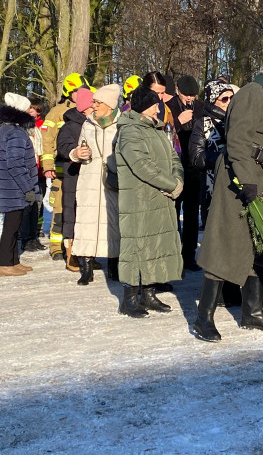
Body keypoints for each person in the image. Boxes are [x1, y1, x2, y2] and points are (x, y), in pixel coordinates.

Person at [193, 53, 263, 342]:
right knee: (223, 249)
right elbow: (238, 142)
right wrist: (247, 181)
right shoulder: (253, 95)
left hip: (254, 185)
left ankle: (252, 313)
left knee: (256, 248)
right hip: (239, 187)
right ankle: (203, 318)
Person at [114, 84, 185, 317]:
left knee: (155, 247)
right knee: (136, 247)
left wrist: (178, 179)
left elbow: (174, 156)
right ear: (145, 107)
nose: (159, 110)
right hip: (139, 201)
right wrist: (172, 185)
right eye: (156, 105)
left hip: (159, 198)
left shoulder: (155, 129)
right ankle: (129, 298)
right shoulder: (131, 131)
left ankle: (149, 294)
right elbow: (142, 166)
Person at [190, 79, 242, 307]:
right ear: (213, 100)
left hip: (237, 187)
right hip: (212, 188)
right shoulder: (203, 122)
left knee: (235, 238)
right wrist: (220, 160)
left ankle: (232, 286)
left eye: (232, 98)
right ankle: (216, 290)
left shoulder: (238, 121)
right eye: (224, 98)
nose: (229, 103)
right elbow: (195, 156)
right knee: (217, 239)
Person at [70, 84, 122, 285]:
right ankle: (86, 268)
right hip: (90, 177)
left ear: (109, 105)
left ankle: (114, 266)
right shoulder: (88, 123)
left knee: (113, 221)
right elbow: (81, 146)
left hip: (113, 177)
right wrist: (77, 154)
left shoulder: (122, 123)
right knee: (87, 223)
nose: (93, 105)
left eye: (97, 102)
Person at [40, 73, 91, 261]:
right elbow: (47, 141)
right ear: (70, 92)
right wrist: (47, 165)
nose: (83, 94)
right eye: (79, 91)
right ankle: (56, 246)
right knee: (60, 207)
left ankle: (74, 245)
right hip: (61, 167)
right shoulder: (57, 112)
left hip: (79, 169)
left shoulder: (87, 110)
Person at [0, 92, 41, 277]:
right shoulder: (16, 133)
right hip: (14, 189)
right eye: (27, 108)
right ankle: (4, 263)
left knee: (14, 226)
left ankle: (12, 260)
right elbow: (15, 163)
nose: (31, 111)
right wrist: (27, 188)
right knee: (11, 227)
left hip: (9, 187)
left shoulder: (6, 129)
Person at [57, 87, 94, 272]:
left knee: (87, 215)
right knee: (71, 213)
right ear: (84, 108)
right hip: (73, 176)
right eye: (91, 105)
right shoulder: (70, 126)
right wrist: (75, 152)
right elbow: (63, 146)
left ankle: (87, 254)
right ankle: (70, 253)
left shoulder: (93, 123)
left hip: (89, 177)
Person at [174, 75, 204, 271]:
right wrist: (177, 122)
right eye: (187, 95)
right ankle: (174, 254)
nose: (190, 99)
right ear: (178, 91)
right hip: (174, 167)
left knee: (193, 213)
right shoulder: (169, 106)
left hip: (194, 168)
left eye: (193, 95)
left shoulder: (200, 107)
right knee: (173, 212)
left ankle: (189, 254)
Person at [19, 96, 47, 253]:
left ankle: (34, 234)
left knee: (38, 203)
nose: (32, 112)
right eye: (29, 109)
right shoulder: (22, 127)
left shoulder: (42, 126)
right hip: (27, 172)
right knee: (28, 204)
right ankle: (25, 237)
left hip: (40, 172)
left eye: (34, 109)